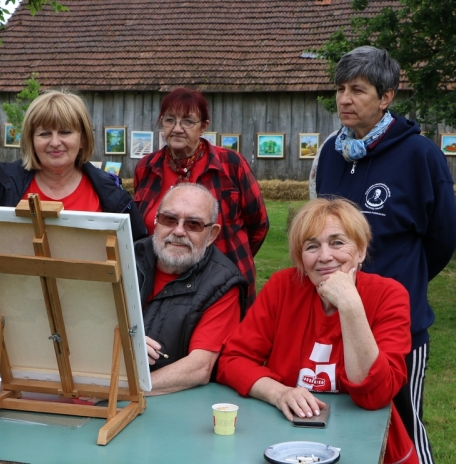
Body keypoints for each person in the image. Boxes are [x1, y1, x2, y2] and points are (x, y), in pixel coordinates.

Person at [315, 46, 456, 464]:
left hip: (398, 324)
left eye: (357, 90)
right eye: (340, 89)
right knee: (345, 421)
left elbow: (443, 239)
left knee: (403, 423)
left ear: (386, 97)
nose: (344, 99)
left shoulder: (420, 156)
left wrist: (400, 284)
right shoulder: (331, 152)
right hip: (337, 316)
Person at [218, 197, 418, 464]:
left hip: (367, 443)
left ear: (360, 251)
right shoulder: (282, 287)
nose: (325, 256)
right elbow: (232, 360)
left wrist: (350, 306)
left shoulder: (389, 295)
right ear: (301, 257)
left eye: (337, 242)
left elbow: (374, 395)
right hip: (288, 440)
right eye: (312, 246)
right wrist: (279, 392)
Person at [0, 89, 147, 363]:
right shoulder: (3, 189)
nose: (55, 142)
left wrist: (127, 326)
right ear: (31, 140)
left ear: (82, 138)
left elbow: (137, 263)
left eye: (65, 132)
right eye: (44, 133)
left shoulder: (111, 194)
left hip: (93, 331)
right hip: (16, 330)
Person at [133, 88, 268, 308]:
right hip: (163, 284)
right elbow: (144, 228)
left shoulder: (231, 165)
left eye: (187, 121)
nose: (177, 129)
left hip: (224, 285)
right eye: (169, 120)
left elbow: (258, 224)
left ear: (204, 126)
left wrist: (231, 258)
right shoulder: (146, 168)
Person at [135, 183, 247, 396]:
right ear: (156, 221)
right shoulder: (126, 256)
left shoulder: (223, 283)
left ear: (212, 234)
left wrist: (125, 388)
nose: (178, 231)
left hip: (174, 403)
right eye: (169, 219)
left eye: (193, 224)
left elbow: (198, 368)